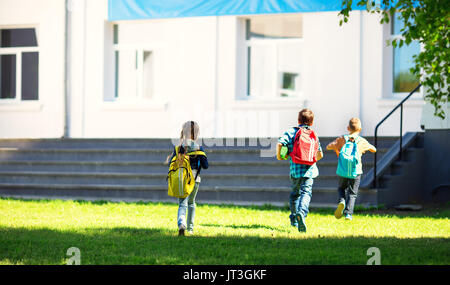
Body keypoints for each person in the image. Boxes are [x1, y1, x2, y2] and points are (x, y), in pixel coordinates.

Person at [276, 109, 323, 232]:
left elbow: (280, 143)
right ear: (311, 122)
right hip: (310, 171)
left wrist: (279, 156)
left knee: (295, 194)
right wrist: (311, 160)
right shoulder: (313, 134)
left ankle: (294, 220)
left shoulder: (291, 132)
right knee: (306, 193)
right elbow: (320, 154)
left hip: (295, 170)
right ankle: (301, 213)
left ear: (298, 120)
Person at [326, 117, 376, 221]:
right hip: (355, 171)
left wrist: (337, 148)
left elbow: (328, 147)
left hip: (342, 170)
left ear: (348, 128)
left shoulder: (341, 139)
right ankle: (348, 214)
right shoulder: (361, 141)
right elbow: (374, 150)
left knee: (341, 188)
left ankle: (341, 201)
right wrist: (364, 149)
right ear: (360, 129)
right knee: (352, 193)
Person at [167, 121, 209, 236]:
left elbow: (171, 163)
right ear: (196, 133)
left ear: (183, 132)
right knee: (191, 203)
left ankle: (181, 224)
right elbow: (205, 166)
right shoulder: (199, 148)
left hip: (182, 179)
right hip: (195, 180)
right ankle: (190, 229)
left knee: (182, 204)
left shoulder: (179, 148)